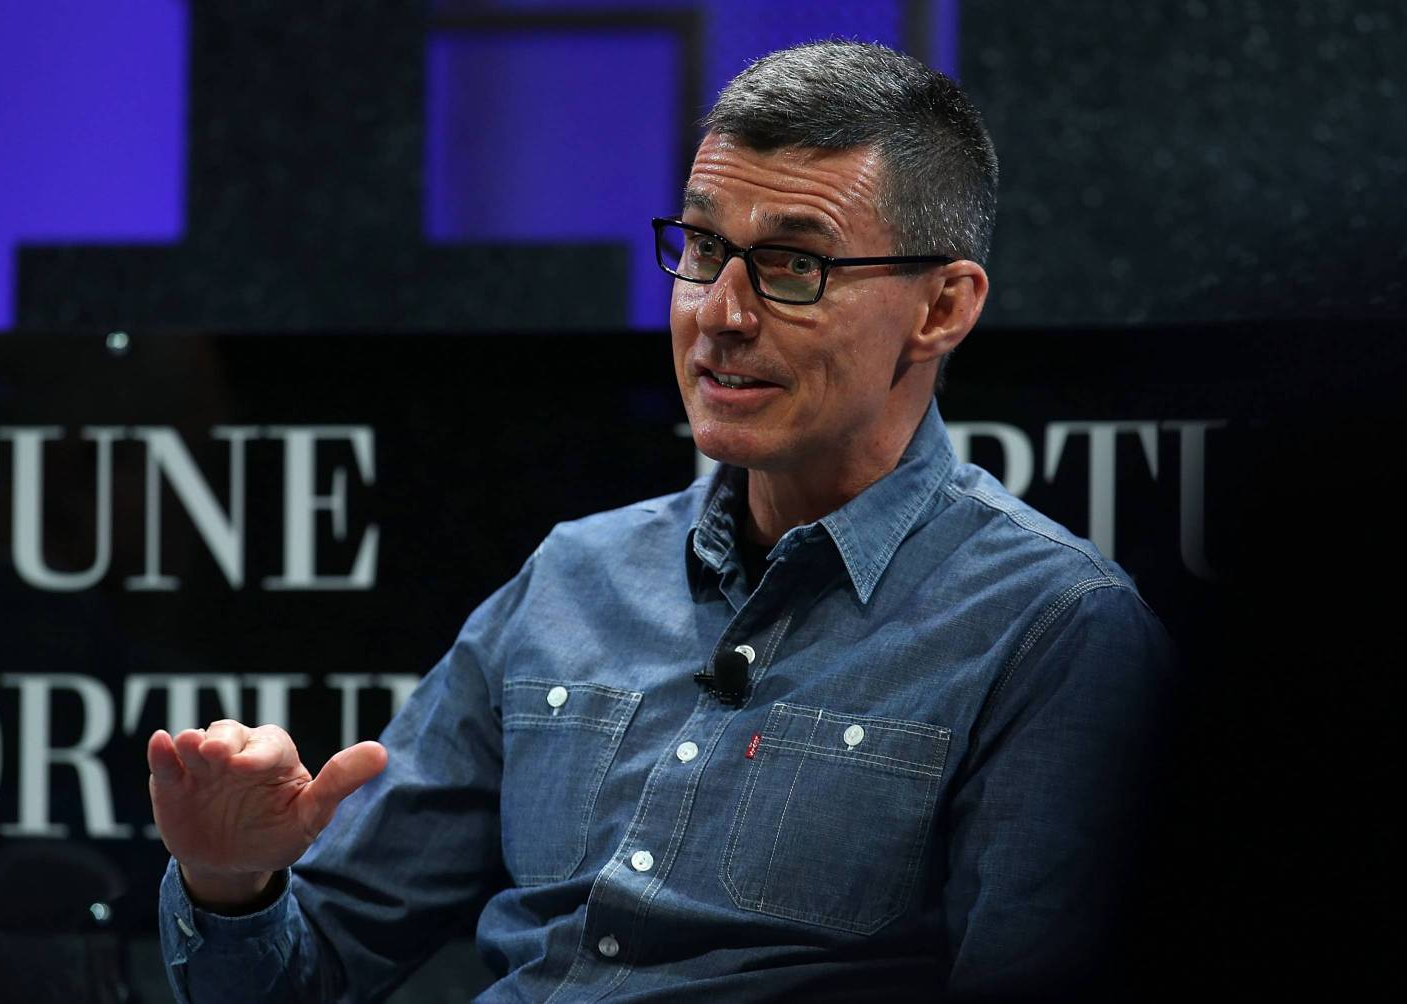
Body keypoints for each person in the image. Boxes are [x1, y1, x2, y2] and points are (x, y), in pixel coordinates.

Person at [149, 41, 1173, 1002]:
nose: (719, 312)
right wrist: (228, 878)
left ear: (943, 306)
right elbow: (305, 968)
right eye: (702, 248)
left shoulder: (1052, 629)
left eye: (792, 265)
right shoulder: (574, 577)